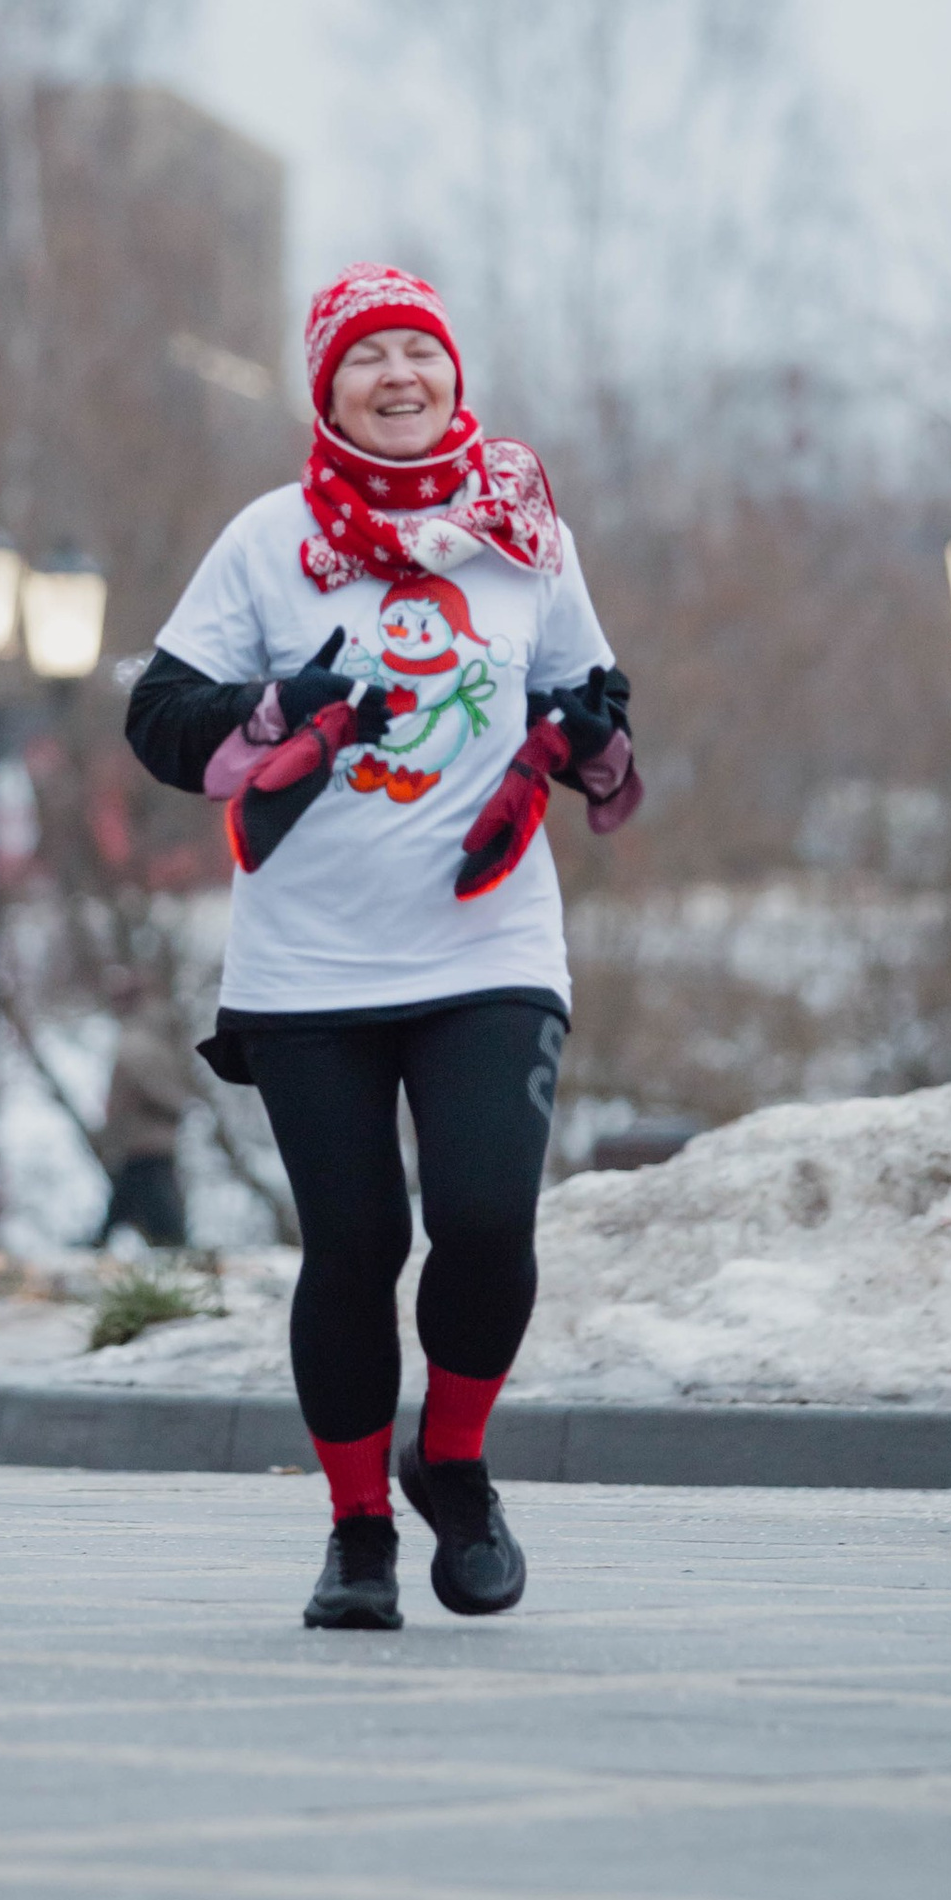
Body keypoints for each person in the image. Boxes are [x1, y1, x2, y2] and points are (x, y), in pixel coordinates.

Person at [125, 263, 638, 1629]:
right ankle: (358, 1531)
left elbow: (584, 684)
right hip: (311, 966)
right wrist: (274, 701)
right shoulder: (269, 540)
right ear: (326, 389)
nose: (399, 375)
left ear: (455, 377)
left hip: (490, 941)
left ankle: (452, 1462)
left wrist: (587, 734)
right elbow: (164, 720)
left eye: (421, 352)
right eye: (368, 358)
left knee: (482, 1217)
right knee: (354, 1244)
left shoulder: (524, 529)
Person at [92, 972, 193, 1251]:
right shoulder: (151, 1034)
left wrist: (176, 1106)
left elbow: (157, 1089)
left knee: (149, 1195)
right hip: (143, 1137)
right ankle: (103, 1239)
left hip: (146, 1136)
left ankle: (169, 1246)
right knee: (133, 1192)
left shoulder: (139, 1040)